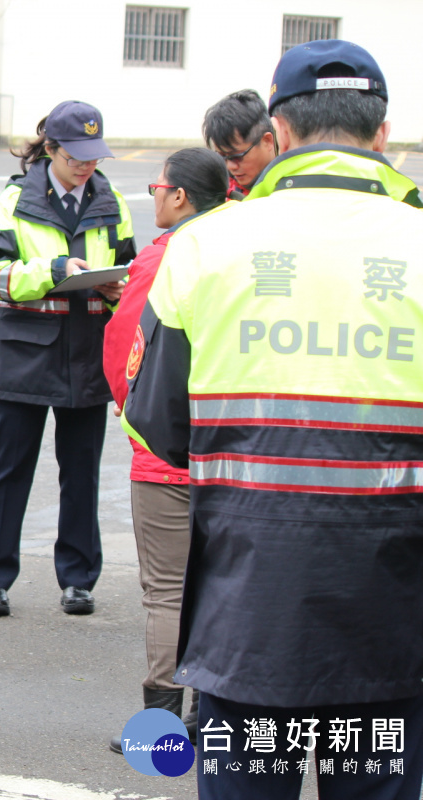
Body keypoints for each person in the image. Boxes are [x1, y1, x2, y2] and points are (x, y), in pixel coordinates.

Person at [123, 40, 423, 799]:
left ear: (278, 133)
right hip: (397, 616)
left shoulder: (203, 248)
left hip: (247, 612)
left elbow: (156, 420)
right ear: (382, 134)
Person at [0, 100, 132, 619]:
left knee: (81, 472)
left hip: (87, 354)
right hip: (24, 353)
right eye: (77, 155)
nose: (87, 165)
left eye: (94, 155)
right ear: (52, 150)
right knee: (10, 469)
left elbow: (129, 272)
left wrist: (113, 289)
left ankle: (78, 579)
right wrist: (55, 269)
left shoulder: (113, 202)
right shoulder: (14, 200)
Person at [100, 147, 229, 754]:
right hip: (233, 449)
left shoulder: (164, 259)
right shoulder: (240, 248)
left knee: (167, 591)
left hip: (167, 453)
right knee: (221, 584)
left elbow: (126, 351)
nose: (152, 197)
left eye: (156, 187)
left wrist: (133, 413)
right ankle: (212, 716)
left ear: (179, 196)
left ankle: (160, 724)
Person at [202, 89, 277, 200]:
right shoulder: (217, 190)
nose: (230, 166)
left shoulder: (294, 187)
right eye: (222, 157)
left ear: (267, 141)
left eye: (237, 156)